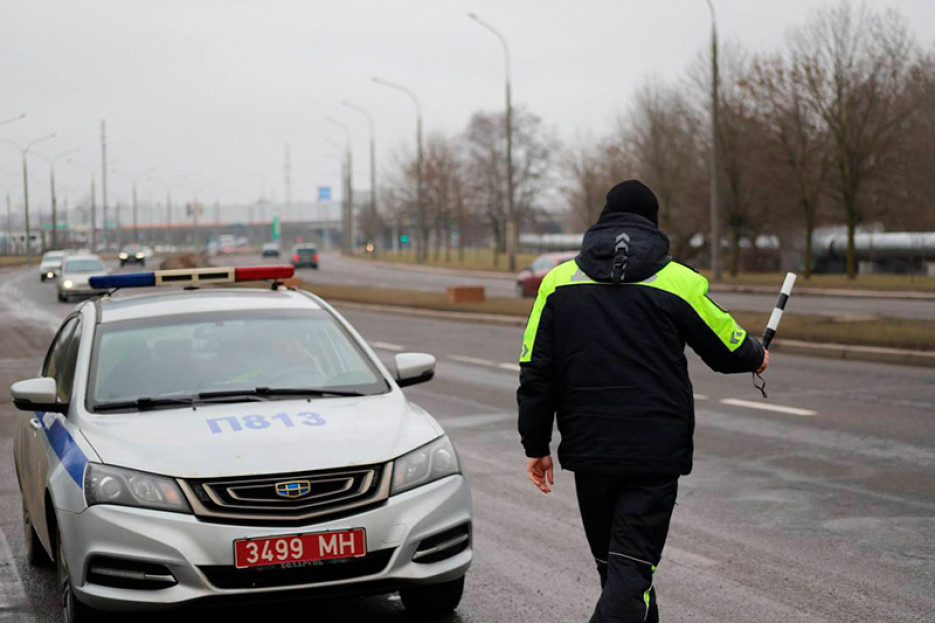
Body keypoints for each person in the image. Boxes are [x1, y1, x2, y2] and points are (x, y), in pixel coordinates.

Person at [517, 180, 768, 622]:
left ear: (602, 221)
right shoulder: (678, 281)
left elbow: (535, 369)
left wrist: (535, 445)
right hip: (654, 454)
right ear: (653, 224)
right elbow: (727, 347)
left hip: (590, 451)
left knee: (621, 575)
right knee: (628, 576)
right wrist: (755, 355)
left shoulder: (558, 282)